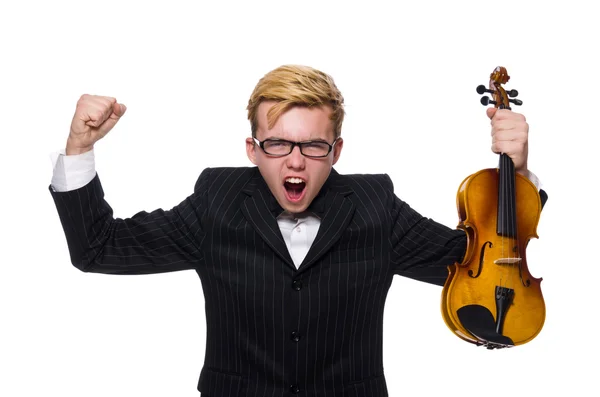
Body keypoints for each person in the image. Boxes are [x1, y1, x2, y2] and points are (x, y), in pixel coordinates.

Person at [49, 64, 546, 397]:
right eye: (277, 145)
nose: (294, 161)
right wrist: (78, 145)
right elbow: (98, 248)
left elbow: (490, 268)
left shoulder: (375, 207)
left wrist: (517, 176)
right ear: (251, 149)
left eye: (312, 147)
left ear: (337, 151)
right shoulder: (216, 201)